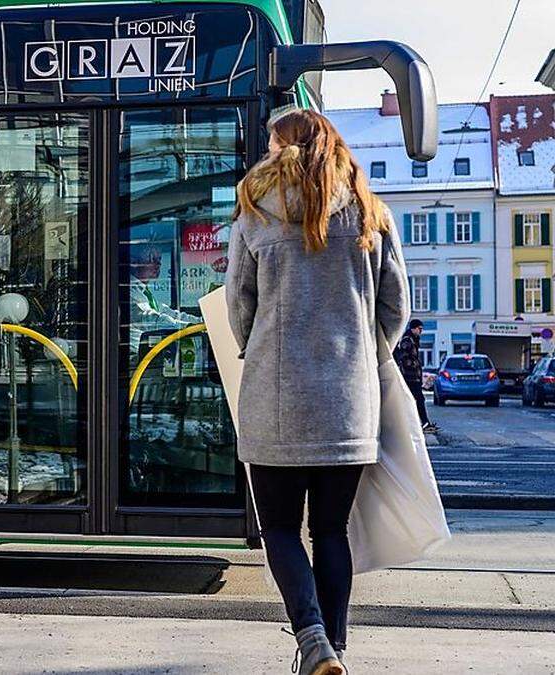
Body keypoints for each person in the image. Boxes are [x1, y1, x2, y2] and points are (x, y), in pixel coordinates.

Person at [225, 109, 409, 675]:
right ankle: (336, 651)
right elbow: (396, 310)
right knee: (330, 530)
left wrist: (255, 347)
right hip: (349, 403)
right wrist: (365, 353)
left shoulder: (255, 211)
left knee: (279, 527)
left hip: (275, 400)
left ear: (280, 148)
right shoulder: (370, 213)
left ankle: (313, 642)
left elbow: (239, 306)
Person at [394, 319, 438, 433]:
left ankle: (418, 423)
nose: (421, 331)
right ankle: (423, 423)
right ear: (413, 328)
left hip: (413, 376)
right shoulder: (407, 340)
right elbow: (404, 358)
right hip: (410, 376)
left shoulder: (413, 339)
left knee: (414, 399)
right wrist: (414, 365)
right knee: (418, 399)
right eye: (419, 329)